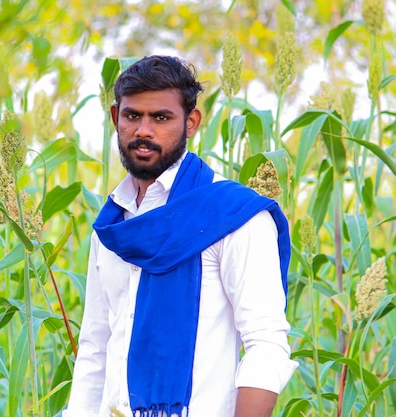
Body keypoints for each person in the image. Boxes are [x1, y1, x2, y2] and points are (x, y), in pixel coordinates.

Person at [63, 55, 297, 417]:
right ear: (115, 118)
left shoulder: (231, 215)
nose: (143, 130)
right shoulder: (113, 226)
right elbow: (96, 345)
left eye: (161, 117)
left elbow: (267, 345)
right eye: (132, 116)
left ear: (191, 122)